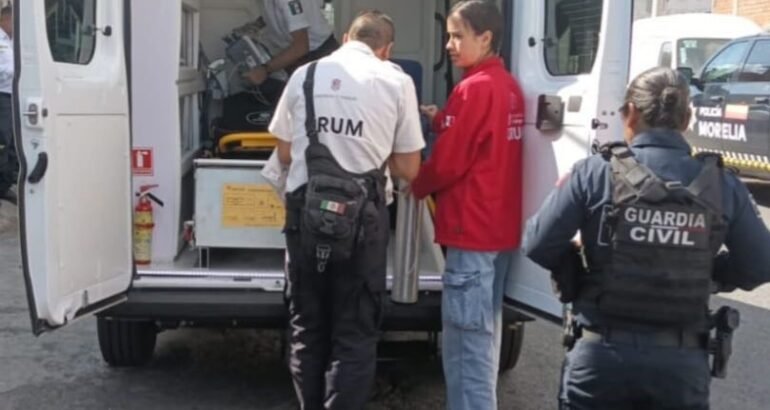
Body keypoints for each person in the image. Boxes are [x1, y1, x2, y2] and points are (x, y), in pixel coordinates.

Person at [522, 67, 770, 409]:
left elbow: (537, 242)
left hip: (600, 360)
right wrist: (702, 270)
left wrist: (578, 269)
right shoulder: (722, 184)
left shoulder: (594, 173)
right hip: (680, 370)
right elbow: (760, 264)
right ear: (687, 119)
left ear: (631, 113)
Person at [268, 10, 424, 409]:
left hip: (305, 218)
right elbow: (409, 168)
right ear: (387, 49)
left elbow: (284, 152)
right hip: (362, 223)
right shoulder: (396, 81)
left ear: (344, 38)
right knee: (354, 334)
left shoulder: (304, 74)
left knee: (307, 329)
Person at [409, 1, 524, 409]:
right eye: (449, 36)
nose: (449, 45)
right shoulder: (507, 86)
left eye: (458, 36)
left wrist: (412, 185)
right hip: (497, 231)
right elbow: (480, 137)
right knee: (485, 339)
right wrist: (442, 119)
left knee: (466, 350)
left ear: (486, 38)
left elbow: (449, 163)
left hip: (470, 232)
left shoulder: (472, 89)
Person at [244, 0, 338, 86]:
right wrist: (253, 26)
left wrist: (265, 70)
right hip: (297, 54)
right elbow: (279, 14)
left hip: (317, 55)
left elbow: (301, 47)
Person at [0, 5, 17, 203]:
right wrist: (16, 71)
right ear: (5, 19)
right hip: (2, 95)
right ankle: (1, 187)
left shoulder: (14, 41)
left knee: (13, 141)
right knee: (3, 141)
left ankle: (7, 182)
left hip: (16, 95)